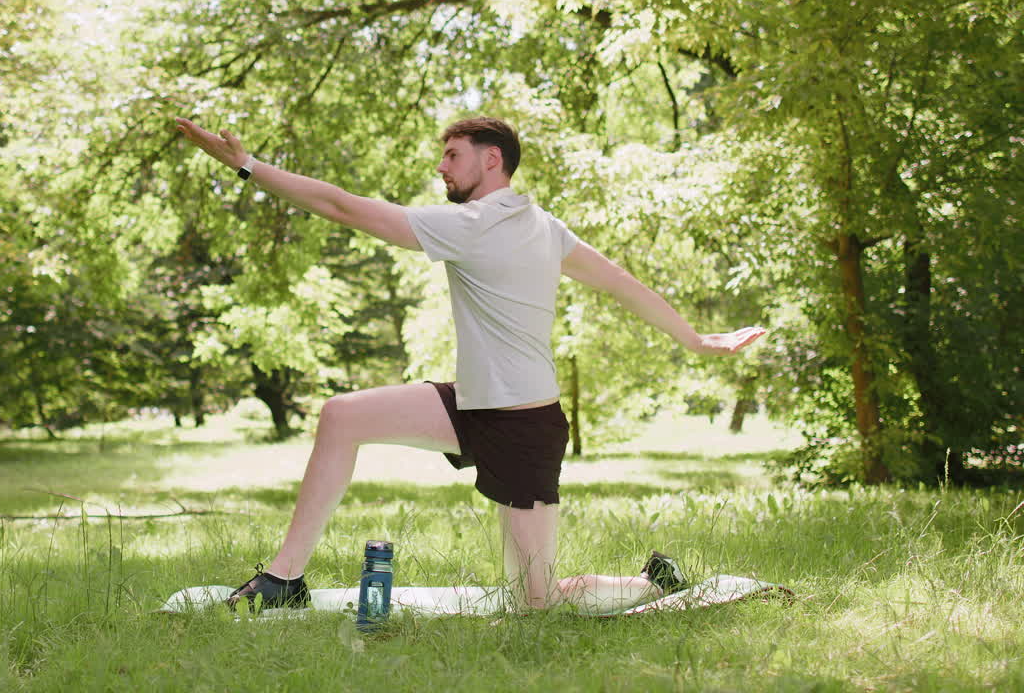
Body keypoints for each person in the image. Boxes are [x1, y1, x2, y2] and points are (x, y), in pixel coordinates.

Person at [174, 115, 766, 612]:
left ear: (492, 161)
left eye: (452, 155)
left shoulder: (477, 224)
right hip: (471, 405)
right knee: (341, 415)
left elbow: (342, 207)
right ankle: (284, 579)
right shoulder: (543, 227)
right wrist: (696, 340)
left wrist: (248, 166)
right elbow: (624, 285)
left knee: (536, 602)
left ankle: (650, 582)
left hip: (525, 429)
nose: (441, 167)